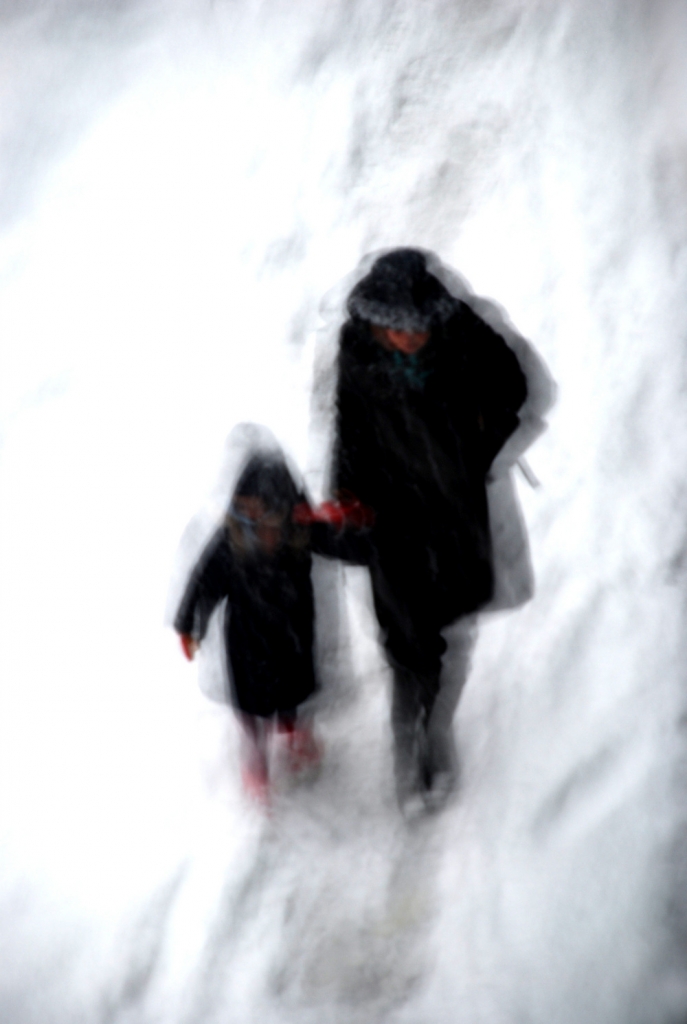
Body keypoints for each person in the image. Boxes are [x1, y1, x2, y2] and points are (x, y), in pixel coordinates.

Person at [330, 247, 529, 812]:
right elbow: (349, 424)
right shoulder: (357, 349)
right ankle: (411, 753)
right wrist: (346, 495)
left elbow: (514, 387)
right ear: (377, 322)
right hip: (390, 512)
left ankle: (434, 725)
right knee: (402, 642)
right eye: (398, 330)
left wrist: (477, 444)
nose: (410, 339)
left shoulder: (462, 332)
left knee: (446, 632)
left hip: (454, 512)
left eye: (418, 329)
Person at [174, 438, 371, 804]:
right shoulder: (230, 541)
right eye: (241, 509)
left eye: (256, 511)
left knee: (294, 697)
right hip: (246, 645)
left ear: (281, 509)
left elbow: (347, 545)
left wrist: (363, 534)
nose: (247, 519)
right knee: (251, 716)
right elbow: (203, 582)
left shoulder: (301, 530)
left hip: (292, 636)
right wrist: (189, 623)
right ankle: (255, 762)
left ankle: (297, 735)